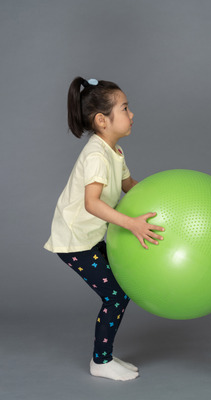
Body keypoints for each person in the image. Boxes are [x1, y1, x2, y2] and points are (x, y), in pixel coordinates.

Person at [44, 77, 165, 381]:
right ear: (102, 120)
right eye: (125, 108)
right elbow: (92, 204)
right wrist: (131, 224)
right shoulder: (97, 155)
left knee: (120, 288)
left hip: (90, 236)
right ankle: (101, 361)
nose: (132, 114)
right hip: (74, 240)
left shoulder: (115, 152)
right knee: (116, 295)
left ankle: (106, 356)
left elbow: (129, 187)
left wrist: (163, 194)